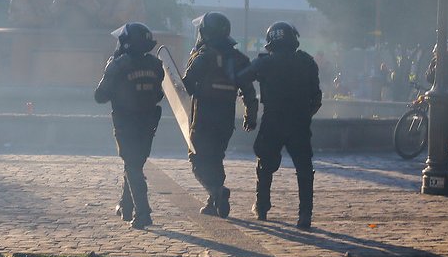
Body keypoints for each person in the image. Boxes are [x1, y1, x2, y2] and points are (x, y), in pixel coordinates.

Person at [237, 22, 321, 229]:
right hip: (300, 122)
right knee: (304, 168)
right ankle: (305, 214)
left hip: (273, 120)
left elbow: (240, 78)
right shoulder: (307, 62)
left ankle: (262, 207)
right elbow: (317, 98)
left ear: (271, 43)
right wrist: (304, 115)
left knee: (264, 164)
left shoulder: (265, 63)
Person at [182, 12, 257, 219]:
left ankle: (217, 191)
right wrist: (251, 116)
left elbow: (185, 86)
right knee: (216, 157)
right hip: (225, 118)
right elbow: (249, 91)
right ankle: (213, 201)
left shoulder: (203, 57)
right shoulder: (238, 58)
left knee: (197, 159)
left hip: (203, 117)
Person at [94, 23, 165, 230]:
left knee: (132, 165)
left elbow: (100, 96)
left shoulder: (118, 64)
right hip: (148, 122)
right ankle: (126, 206)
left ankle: (143, 213)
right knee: (134, 163)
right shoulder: (155, 65)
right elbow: (159, 94)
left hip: (126, 123)